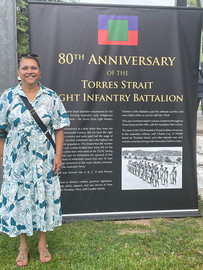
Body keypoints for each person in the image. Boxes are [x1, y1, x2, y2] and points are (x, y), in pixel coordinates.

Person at [0, 55, 70, 266]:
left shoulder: (50, 96)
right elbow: (1, 130)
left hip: (44, 159)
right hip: (16, 160)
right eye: (25, 68)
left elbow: (59, 129)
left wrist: (58, 155)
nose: (29, 71)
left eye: (33, 68)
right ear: (18, 71)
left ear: (40, 71)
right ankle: (23, 246)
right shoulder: (8, 96)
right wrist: (3, 158)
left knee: (43, 196)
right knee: (20, 197)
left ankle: (42, 243)